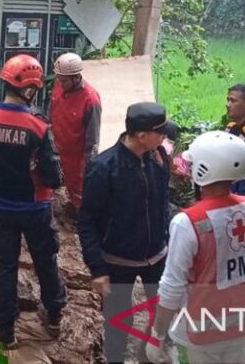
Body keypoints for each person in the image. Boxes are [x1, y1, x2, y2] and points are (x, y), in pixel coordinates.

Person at [0, 54, 66, 349]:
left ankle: (5, 331)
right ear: (30, 90)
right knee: (46, 260)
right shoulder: (39, 127)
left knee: (5, 266)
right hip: (36, 207)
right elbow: (54, 177)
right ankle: (54, 316)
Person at [147, 131, 245, 364]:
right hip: (242, 323)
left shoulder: (187, 222)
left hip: (199, 332)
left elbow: (172, 286)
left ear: (203, 169)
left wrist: (157, 334)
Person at [77, 102, 171, 363]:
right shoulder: (104, 168)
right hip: (117, 262)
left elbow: (164, 203)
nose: (164, 137)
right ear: (142, 136)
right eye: (160, 132)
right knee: (118, 320)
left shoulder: (159, 157)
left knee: (162, 313)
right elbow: (86, 220)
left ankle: (149, 355)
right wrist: (97, 268)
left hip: (158, 257)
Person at [49, 52, 101, 213]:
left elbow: (93, 138)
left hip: (76, 155)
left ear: (76, 77)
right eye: (58, 78)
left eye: (63, 80)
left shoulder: (90, 100)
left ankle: (81, 218)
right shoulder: (59, 86)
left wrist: (89, 164)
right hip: (56, 147)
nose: (59, 82)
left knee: (79, 189)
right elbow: (52, 111)